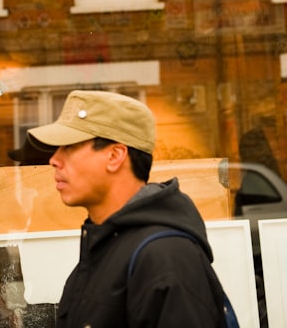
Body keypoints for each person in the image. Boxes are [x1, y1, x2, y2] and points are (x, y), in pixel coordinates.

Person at [27, 90, 231, 328]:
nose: (54, 159)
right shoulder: (104, 245)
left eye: (69, 147)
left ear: (115, 156)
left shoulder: (165, 257)